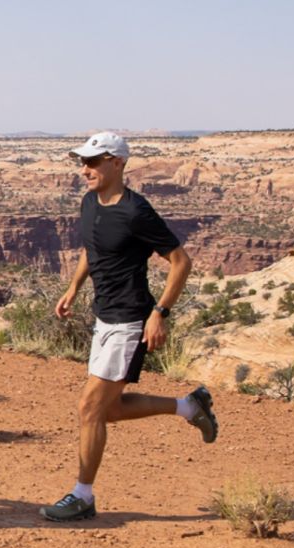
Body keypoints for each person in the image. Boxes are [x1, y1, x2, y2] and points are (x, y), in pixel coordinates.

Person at [40, 132, 218, 522]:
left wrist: (160, 313)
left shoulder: (137, 211)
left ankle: (82, 496)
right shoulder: (90, 203)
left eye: (93, 162)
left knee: (89, 407)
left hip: (130, 320)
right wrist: (73, 287)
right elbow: (92, 247)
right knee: (109, 410)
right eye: (82, 162)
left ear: (117, 163)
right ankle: (189, 406)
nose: (84, 169)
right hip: (104, 317)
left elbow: (180, 261)